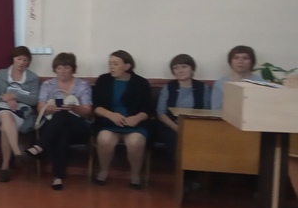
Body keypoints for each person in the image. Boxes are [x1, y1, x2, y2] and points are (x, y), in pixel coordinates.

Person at [25, 52, 94, 190]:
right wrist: (51, 109)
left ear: (73, 69)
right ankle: (57, 178)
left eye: (66, 67)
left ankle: (40, 146)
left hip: (78, 127)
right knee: (62, 131)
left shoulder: (83, 85)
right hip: (54, 126)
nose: (62, 71)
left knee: (63, 115)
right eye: (59, 68)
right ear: (55, 69)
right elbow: (40, 108)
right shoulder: (48, 85)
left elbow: (87, 112)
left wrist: (74, 108)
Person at [92, 50, 153, 189]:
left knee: (135, 142)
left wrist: (137, 118)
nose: (111, 67)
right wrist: (110, 115)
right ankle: (103, 171)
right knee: (104, 139)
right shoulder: (103, 80)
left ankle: (135, 175)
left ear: (127, 66)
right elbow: (96, 107)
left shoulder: (141, 82)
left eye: (116, 64)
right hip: (108, 122)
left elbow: (148, 109)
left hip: (134, 125)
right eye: (110, 64)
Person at [0, 45, 40, 182]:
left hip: (21, 114)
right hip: (1, 110)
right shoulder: (2, 74)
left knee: (5, 127)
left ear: (28, 62)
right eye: (19, 59)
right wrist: (4, 98)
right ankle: (17, 152)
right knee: (5, 115)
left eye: (25, 60)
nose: (22, 62)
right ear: (13, 59)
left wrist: (14, 96)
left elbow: (34, 100)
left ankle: (5, 167)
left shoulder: (33, 78)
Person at [155, 53, 211, 161]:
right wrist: (176, 127)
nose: (180, 71)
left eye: (184, 67)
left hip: (196, 125)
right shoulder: (168, 87)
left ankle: (196, 168)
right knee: (174, 138)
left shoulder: (203, 88)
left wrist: (191, 126)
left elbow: (207, 111)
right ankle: (179, 168)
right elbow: (161, 113)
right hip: (171, 125)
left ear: (192, 69)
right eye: (176, 68)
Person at [211, 45, 263, 110]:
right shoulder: (220, 83)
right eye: (236, 58)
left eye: (245, 58)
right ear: (230, 62)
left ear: (252, 62)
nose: (240, 61)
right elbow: (216, 110)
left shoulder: (261, 82)